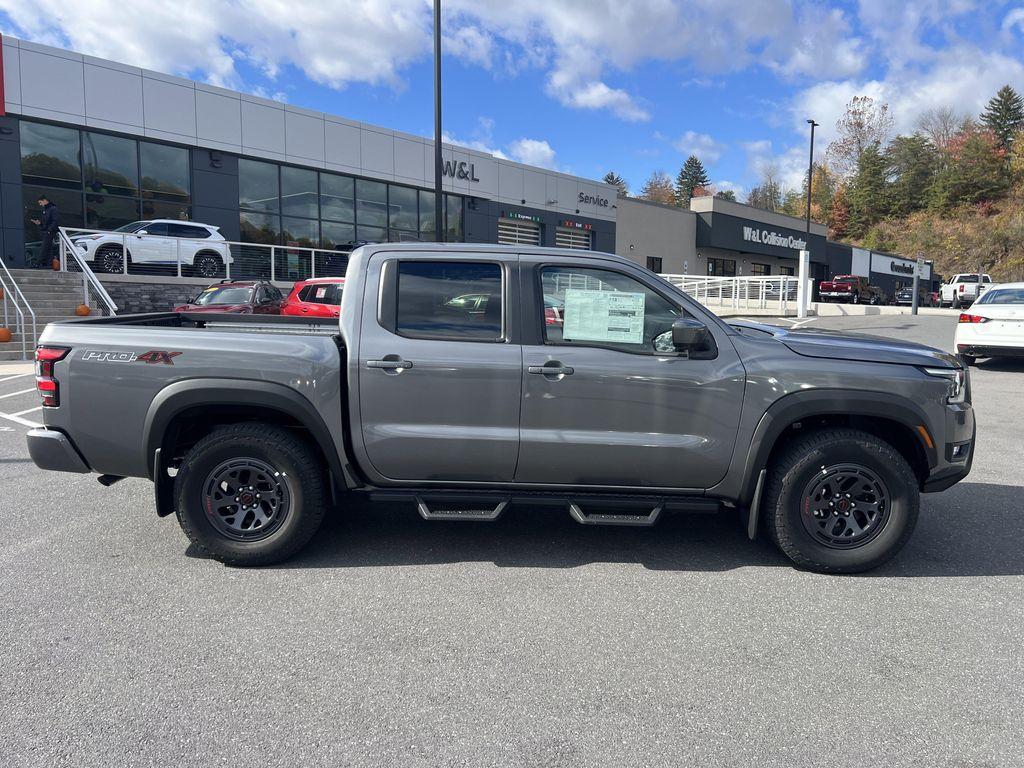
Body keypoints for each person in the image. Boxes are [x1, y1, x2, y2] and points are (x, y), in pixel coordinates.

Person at [29, 195, 59, 268]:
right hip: (47, 231)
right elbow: (46, 223)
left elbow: (55, 221)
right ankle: (48, 264)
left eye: (40, 202)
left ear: (45, 200)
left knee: (44, 247)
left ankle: (38, 263)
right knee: (48, 248)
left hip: (50, 231)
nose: (40, 204)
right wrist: (39, 224)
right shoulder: (46, 210)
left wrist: (49, 230)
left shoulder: (53, 209)